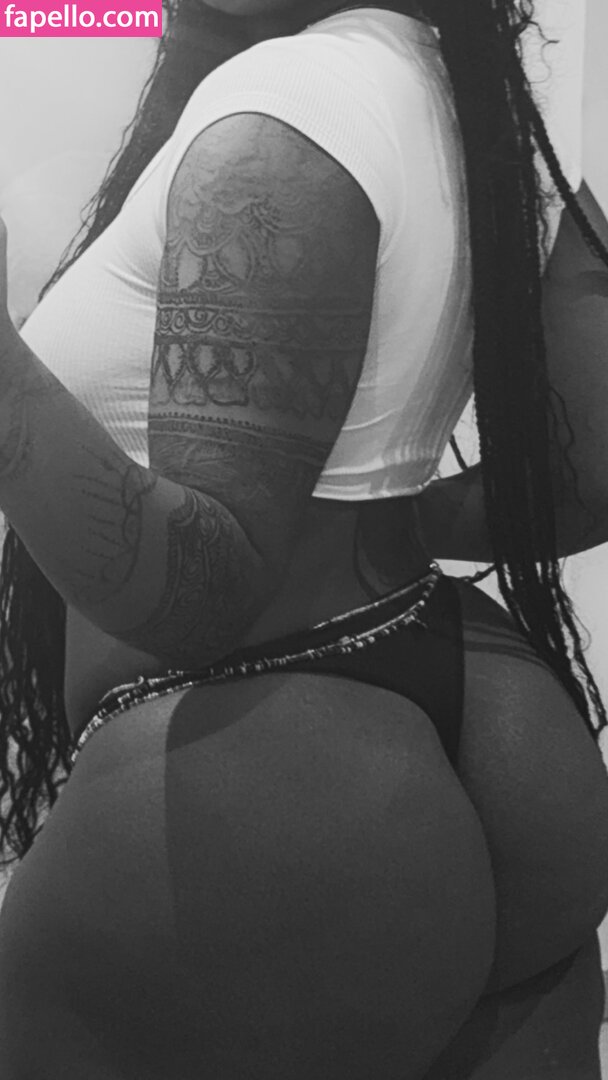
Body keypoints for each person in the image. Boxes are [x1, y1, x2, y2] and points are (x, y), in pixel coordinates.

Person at [0, 0, 608, 1075]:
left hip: (270, 802)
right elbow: (577, 482)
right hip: (498, 729)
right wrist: (381, 513)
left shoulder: (283, 115)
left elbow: (203, 594)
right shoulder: (465, 102)